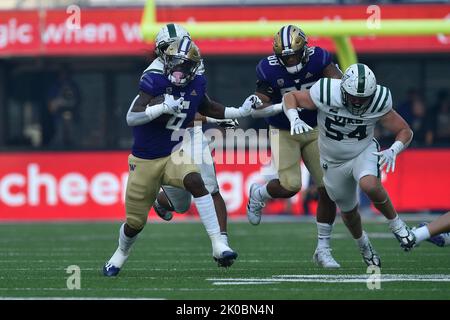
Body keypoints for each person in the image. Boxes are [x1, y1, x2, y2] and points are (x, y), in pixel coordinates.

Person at [103, 37, 261, 276]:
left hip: (173, 153)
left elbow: (209, 108)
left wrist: (240, 110)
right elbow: (131, 117)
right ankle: (120, 255)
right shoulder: (153, 81)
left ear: (193, 67)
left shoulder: (196, 83)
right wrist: (160, 108)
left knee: (197, 182)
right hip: (144, 160)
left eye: (184, 65)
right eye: (175, 63)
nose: (178, 70)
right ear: (166, 61)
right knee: (135, 223)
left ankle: (218, 244)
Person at [282, 63, 417, 266]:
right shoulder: (327, 91)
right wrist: (294, 118)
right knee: (348, 211)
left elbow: (405, 130)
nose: (357, 102)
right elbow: (290, 97)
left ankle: (397, 225)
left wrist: (394, 149)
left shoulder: (379, 100)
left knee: (369, 184)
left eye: (363, 98)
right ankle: (363, 244)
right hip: (332, 160)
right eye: (353, 96)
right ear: (342, 88)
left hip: (363, 150)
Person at [247, 25, 343, 268]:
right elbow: (262, 101)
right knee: (290, 186)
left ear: (304, 51)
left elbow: (340, 85)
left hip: (314, 127)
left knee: (328, 189)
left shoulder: (320, 58)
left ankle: (323, 249)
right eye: (285, 57)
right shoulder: (268, 68)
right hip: (283, 129)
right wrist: (257, 101)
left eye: (293, 55)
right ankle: (259, 193)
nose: (290, 60)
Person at [147, 23, 243, 248]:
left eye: (179, 46)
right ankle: (161, 201)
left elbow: (197, 103)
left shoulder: (195, 64)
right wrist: (213, 120)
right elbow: (169, 117)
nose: (176, 53)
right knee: (180, 205)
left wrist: (220, 114)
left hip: (191, 132)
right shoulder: (152, 74)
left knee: (211, 186)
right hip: (165, 135)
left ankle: (222, 244)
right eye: (169, 47)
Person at [46, 66, 81, 148]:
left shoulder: (74, 87)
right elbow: (51, 108)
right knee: (59, 139)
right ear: (59, 75)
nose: (65, 76)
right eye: (63, 74)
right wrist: (59, 101)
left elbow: (77, 103)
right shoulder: (55, 88)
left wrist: (72, 103)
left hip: (73, 120)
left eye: (68, 74)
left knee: (74, 141)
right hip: (58, 120)